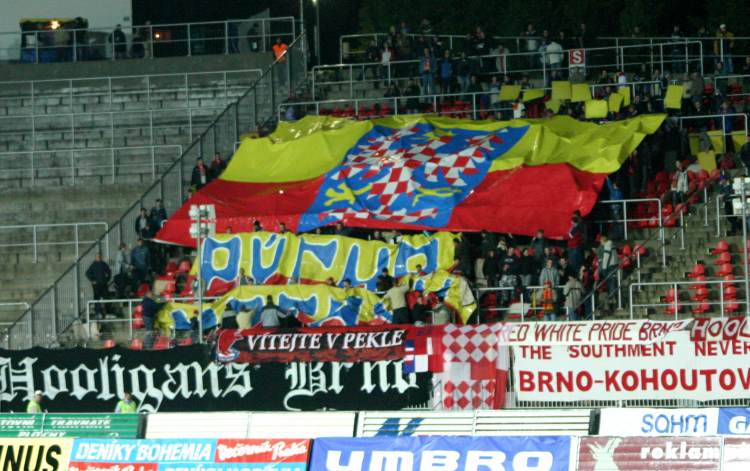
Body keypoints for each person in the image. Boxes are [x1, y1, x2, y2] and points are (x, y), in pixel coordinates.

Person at [86, 254, 111, 319]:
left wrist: (107, 279)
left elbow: (109, 272)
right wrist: (92, 280)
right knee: (97, 298)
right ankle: (98, 312)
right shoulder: (93, 265)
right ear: (96, 257)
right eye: (97, 257)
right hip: (96, 285)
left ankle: (107, 312)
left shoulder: (104, 264)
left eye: (100, 257)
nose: (99, 258)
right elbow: (87, 273)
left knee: (106, 297)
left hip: (103, 284)